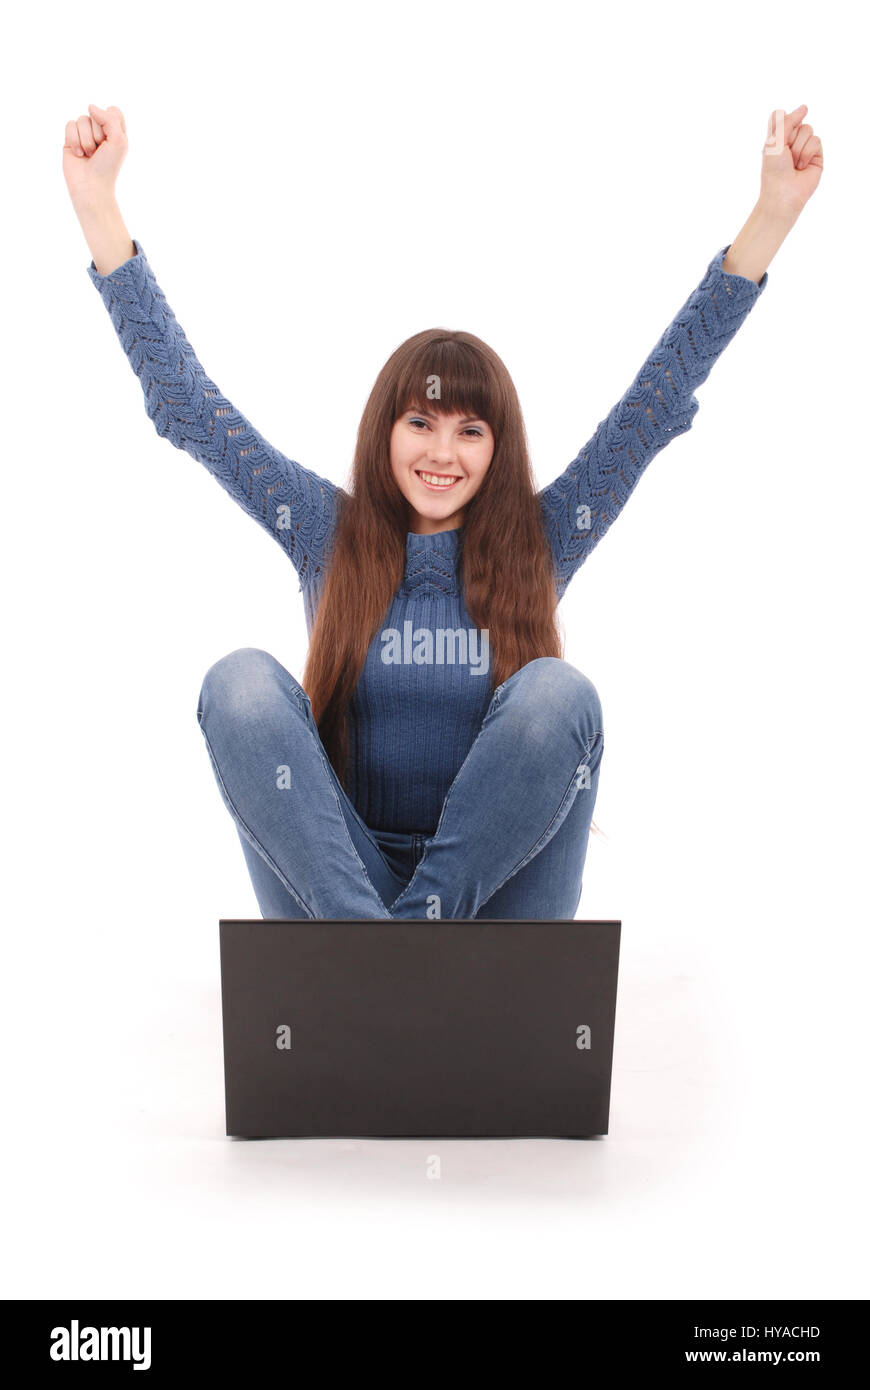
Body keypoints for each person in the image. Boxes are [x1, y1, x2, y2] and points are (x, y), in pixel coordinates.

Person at [63, 103, 822, 921]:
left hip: (496, 898)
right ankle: (383, 957)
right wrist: (98, 206)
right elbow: (190, 410)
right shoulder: (328, 532)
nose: (442, 452)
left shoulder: (541, 538)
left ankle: (398, 960)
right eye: (420, 422)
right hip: (341, 893)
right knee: (238, 685)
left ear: (497, 449)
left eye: (470, 430)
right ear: (385, 432)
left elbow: (655, 402)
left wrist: (771, 214)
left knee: (559, 696)